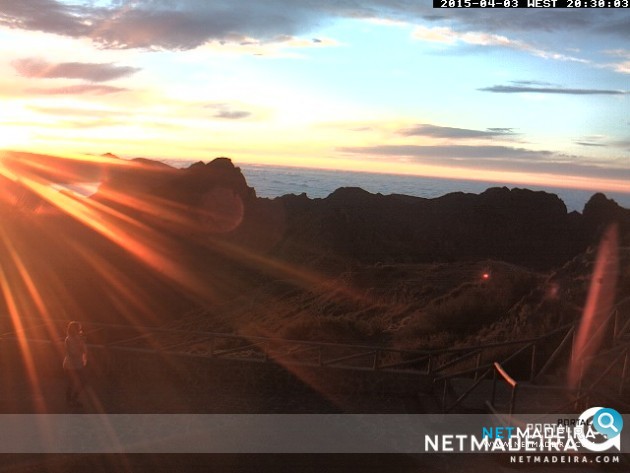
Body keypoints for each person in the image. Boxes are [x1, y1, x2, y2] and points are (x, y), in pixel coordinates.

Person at [63, 321, 88, 407]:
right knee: (73, 382)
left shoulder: (78, 339)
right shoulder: (69, 340)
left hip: (77, 364)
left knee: (80, 381)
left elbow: (84, 350)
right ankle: (71, 398)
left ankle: (72, 398)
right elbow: (73, 352)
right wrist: (80, 345)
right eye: (78, 329)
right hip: (71, 364)